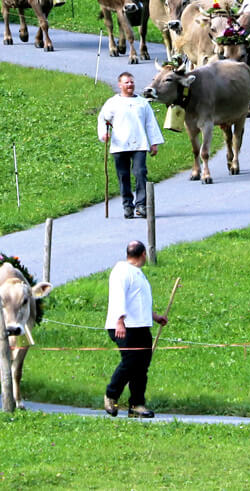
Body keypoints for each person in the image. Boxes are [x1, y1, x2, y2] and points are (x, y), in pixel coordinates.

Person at [104, 240, 167, 418]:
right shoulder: (121, 271)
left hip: (141, 325)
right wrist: (119, 320)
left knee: (142, 366)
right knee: (130, 363)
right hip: (125, 327)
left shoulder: (138, 274)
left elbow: (140, 301)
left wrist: (155, 317)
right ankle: (111, 395)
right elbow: (118, 297)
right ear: (144, 255)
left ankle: (137, 404)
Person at [98, 71, 162, 219]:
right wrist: (104, 134)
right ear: (120, 85)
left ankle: (141, 204)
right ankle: (127, 205)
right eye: (126, 82)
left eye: (131, 82)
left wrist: (154, 143)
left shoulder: (142, 103)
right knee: (123, 175)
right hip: (120, 145)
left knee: (140, 172)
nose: (130, 85)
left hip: (139, 143)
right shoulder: (112, 103)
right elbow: (103, 119)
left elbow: (150, 124)